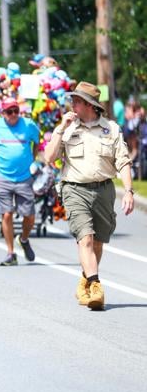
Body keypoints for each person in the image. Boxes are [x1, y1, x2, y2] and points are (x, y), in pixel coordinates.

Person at [44, 82, 134, 310]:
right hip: (74, 189)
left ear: (89, 105)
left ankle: (85, 278)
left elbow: (122, 161)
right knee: (85, 238)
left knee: (98, 242)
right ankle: (96, 286)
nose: (72, 104)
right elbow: (49, 157)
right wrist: (60, 129)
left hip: (104, 189)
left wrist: (129, 191)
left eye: (76, 101)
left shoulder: (111, 129)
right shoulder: (68, 128)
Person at [0, 97, 40, 266]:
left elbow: (37, 141)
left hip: (23, 176)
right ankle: (10, 253)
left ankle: (24, 238)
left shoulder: (28, 125)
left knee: (29, 215)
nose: (13, 114)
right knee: (6, 214)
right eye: (9, 111)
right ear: (3, 113)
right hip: (3, 176)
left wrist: (32, 158)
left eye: (16, 111)